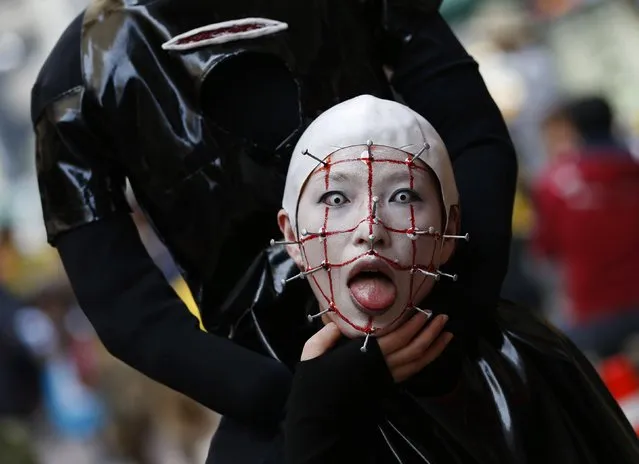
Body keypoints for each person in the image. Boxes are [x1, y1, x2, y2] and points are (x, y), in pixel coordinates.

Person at [31, 3, 516, 461]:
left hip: (439, 358)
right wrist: (297, 394)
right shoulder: (76, 75)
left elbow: (475, 136)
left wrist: (452, 313)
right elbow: (123, 305)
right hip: (295, 401)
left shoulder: (79, 69)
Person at [279, 95, 639, 463]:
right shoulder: (263, 417)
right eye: (336, 199)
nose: (371, 230)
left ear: (449, 229)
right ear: (291, 235)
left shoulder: (524, 366)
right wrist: (315, 415)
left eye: (403, 196)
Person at [533, 96, 639, 357]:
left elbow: (546, 250)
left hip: (592, 314)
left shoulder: (554, 183)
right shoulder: (632, 170)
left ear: (574, 129)